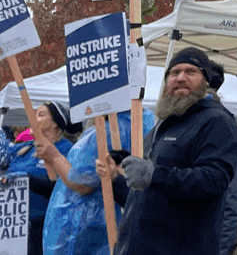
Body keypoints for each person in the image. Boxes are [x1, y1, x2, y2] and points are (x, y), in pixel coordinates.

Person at [95, 47, 237, 255]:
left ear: (206, 81)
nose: (181, 78)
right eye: (174, 73)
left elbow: (214, 180)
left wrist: (154, 174)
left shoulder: (216, 121)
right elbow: (147, 195)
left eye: (191, 72)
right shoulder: (164, 124)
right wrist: (116, 178)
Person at [38, 108, 156, 255]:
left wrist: (54, 156)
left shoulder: (108, 131)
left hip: (88, 232)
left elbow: (82, 184)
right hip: (114, 228)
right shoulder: (144, 121)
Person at [2, 102, 81, 255]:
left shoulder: (66, 149)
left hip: (46, 226)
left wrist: (28, 180)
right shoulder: (23, 148)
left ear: (55, 124)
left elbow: (63, 188)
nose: (33, 118)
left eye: (41, 114)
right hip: (16, 228)